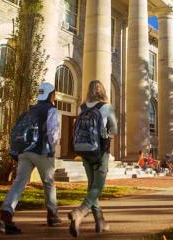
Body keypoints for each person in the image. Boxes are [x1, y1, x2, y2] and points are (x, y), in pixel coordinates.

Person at [0, 82, 61, 234]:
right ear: (51, 95)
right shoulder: (51, 110)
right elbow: (53, 133)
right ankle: (53, 215)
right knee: (49, 182)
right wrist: (53, 148)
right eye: (54, 94)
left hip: (24, 151)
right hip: (41, 151)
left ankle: (5, 216)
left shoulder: (30, 110)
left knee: (19, 182)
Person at [68, 80, 118, 238]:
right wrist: (107, 134)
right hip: (100, 151)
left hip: (84, 151)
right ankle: (80, 212)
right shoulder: (106, 107)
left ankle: (100, 221)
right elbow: (114, 129)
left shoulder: (82, 107)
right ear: (103, 91)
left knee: (92, 187)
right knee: (98, 188)